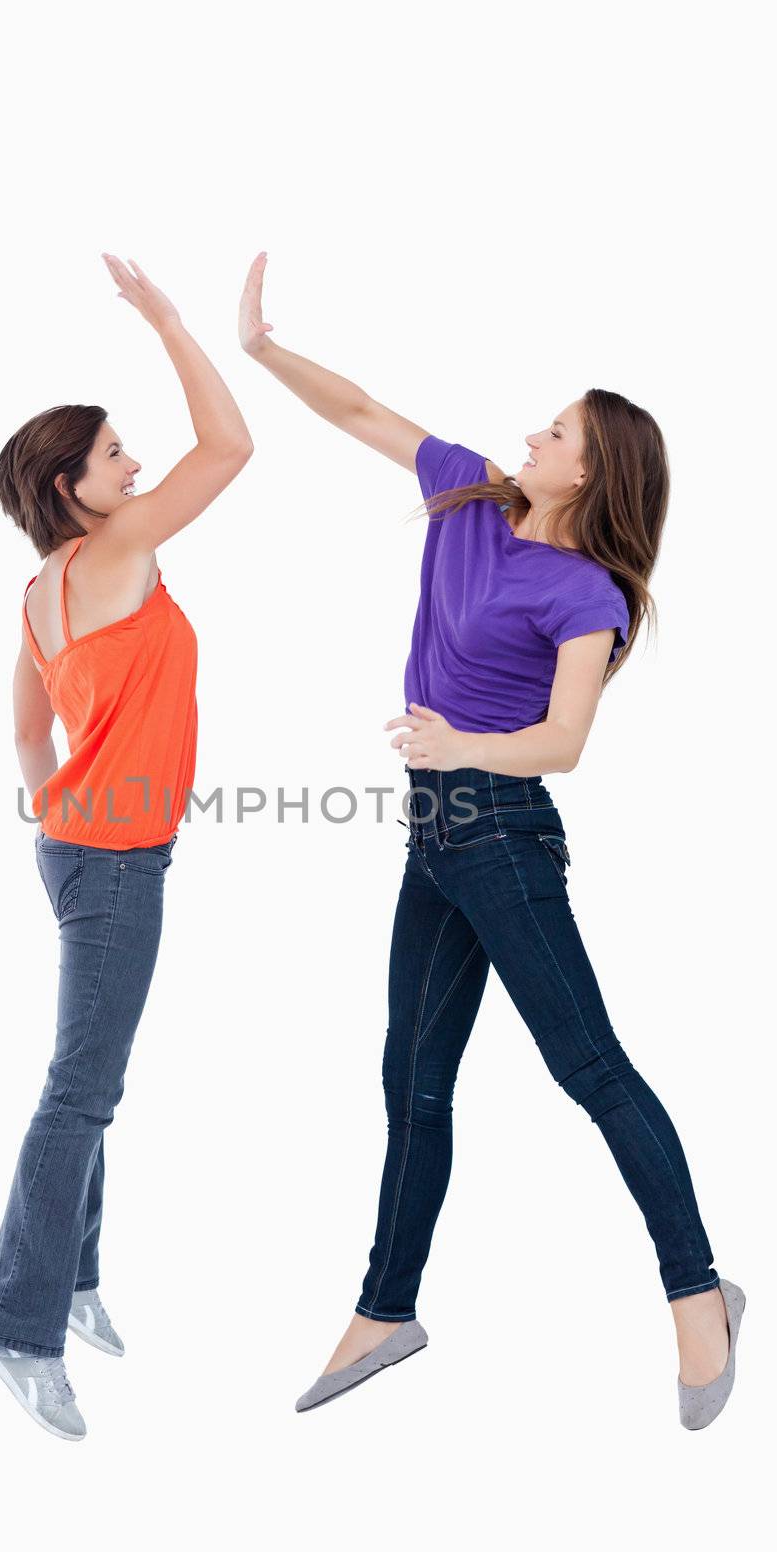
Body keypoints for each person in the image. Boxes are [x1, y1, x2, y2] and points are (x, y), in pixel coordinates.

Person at [239, 254, 745, 1430]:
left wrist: (461, 742)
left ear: (590, 465)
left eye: (555, 427)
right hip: (435, 837)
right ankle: (384, 1308)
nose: (531, 430)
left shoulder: (585, 593)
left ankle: (696, 1295)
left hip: (503, 838)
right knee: (409, 1078)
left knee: (589, 1069)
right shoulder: (466, 495)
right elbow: (361, 410)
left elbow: (562, 742)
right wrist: (263, 348)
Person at [0, 255, 253, 1441]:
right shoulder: (119, 549)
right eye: (115, 454)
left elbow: (28, 727)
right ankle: (16, 1322)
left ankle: (74, 1280)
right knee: (79, 1088)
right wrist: (173, 321)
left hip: (90, 850)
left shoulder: (45, 586)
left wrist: (57, 812)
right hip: (113, 860)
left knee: (95, 1081)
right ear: (73, 488)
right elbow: (229, 446)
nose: (136, 464)